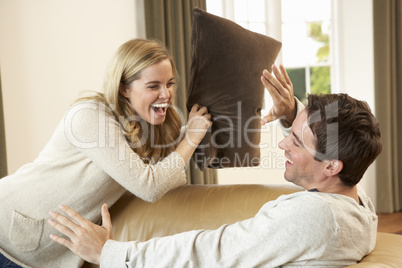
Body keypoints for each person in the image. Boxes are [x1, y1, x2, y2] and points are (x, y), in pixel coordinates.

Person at [48, 65, 382, 267]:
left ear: (332, 166)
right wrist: (293, 115)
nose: (282, 142)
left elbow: (211, 252)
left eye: (295, 140)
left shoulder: (314, 217)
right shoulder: (359, 204)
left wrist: (109, 252)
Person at [0, 39, 212, 268]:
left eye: (170, 83)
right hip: (7, 234)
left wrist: (195, 131)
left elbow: (170, 158)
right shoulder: (90, 116)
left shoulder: (145, 127)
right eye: (153, 86)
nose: (166, 94)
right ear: (124, 88)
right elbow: (149, 186)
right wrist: (191, 137)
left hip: (38, 255)